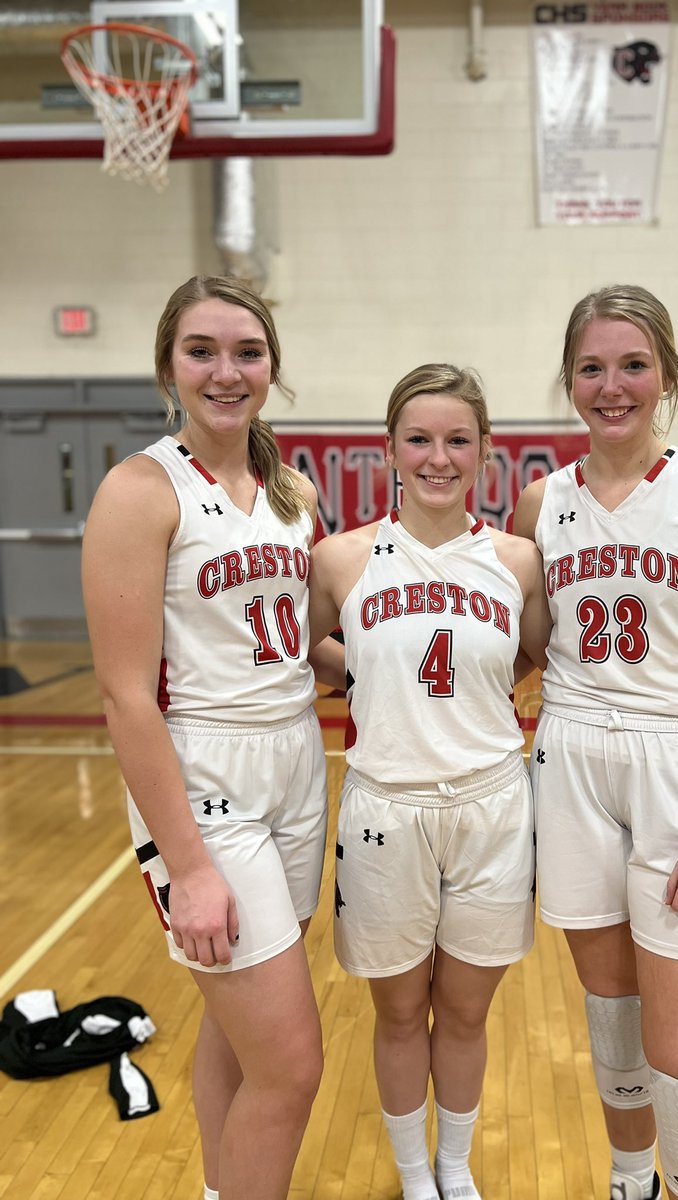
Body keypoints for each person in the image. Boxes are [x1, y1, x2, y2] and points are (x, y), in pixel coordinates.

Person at [513, 285, 678, 1200]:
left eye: (632, 365)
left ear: (665, 373)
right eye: (592, 367)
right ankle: (634, 1183)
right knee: (616, 1027)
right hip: (574, 760)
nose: (612, 386)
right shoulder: (538, 503)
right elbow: (520, 652)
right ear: (569, 379)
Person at [82, 275, 339, 1200]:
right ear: (168, 367)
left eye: (247, 352)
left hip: (298, 763)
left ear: (271, 366)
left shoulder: (291, 489)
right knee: (293, 1065)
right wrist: (187, 866)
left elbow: (301, 646)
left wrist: (410, 655)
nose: (226, 372)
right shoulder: (138, 491)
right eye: (203, 351)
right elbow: (124, 698)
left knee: (239, 1032)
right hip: (204, 775)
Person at [308, 363, 551, 1200]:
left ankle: (456, 1165)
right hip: (387, 808)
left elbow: (534, 653)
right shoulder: (341, 559)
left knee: (470, 1011)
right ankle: (415, 1177)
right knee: (401, 1012)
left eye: (457, 440)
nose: (437, 457)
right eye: (419, 439)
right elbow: (309, 649)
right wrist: (371, 678)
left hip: (492, 805)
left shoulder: (517, 560)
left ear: (486, 453)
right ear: (390, 451)